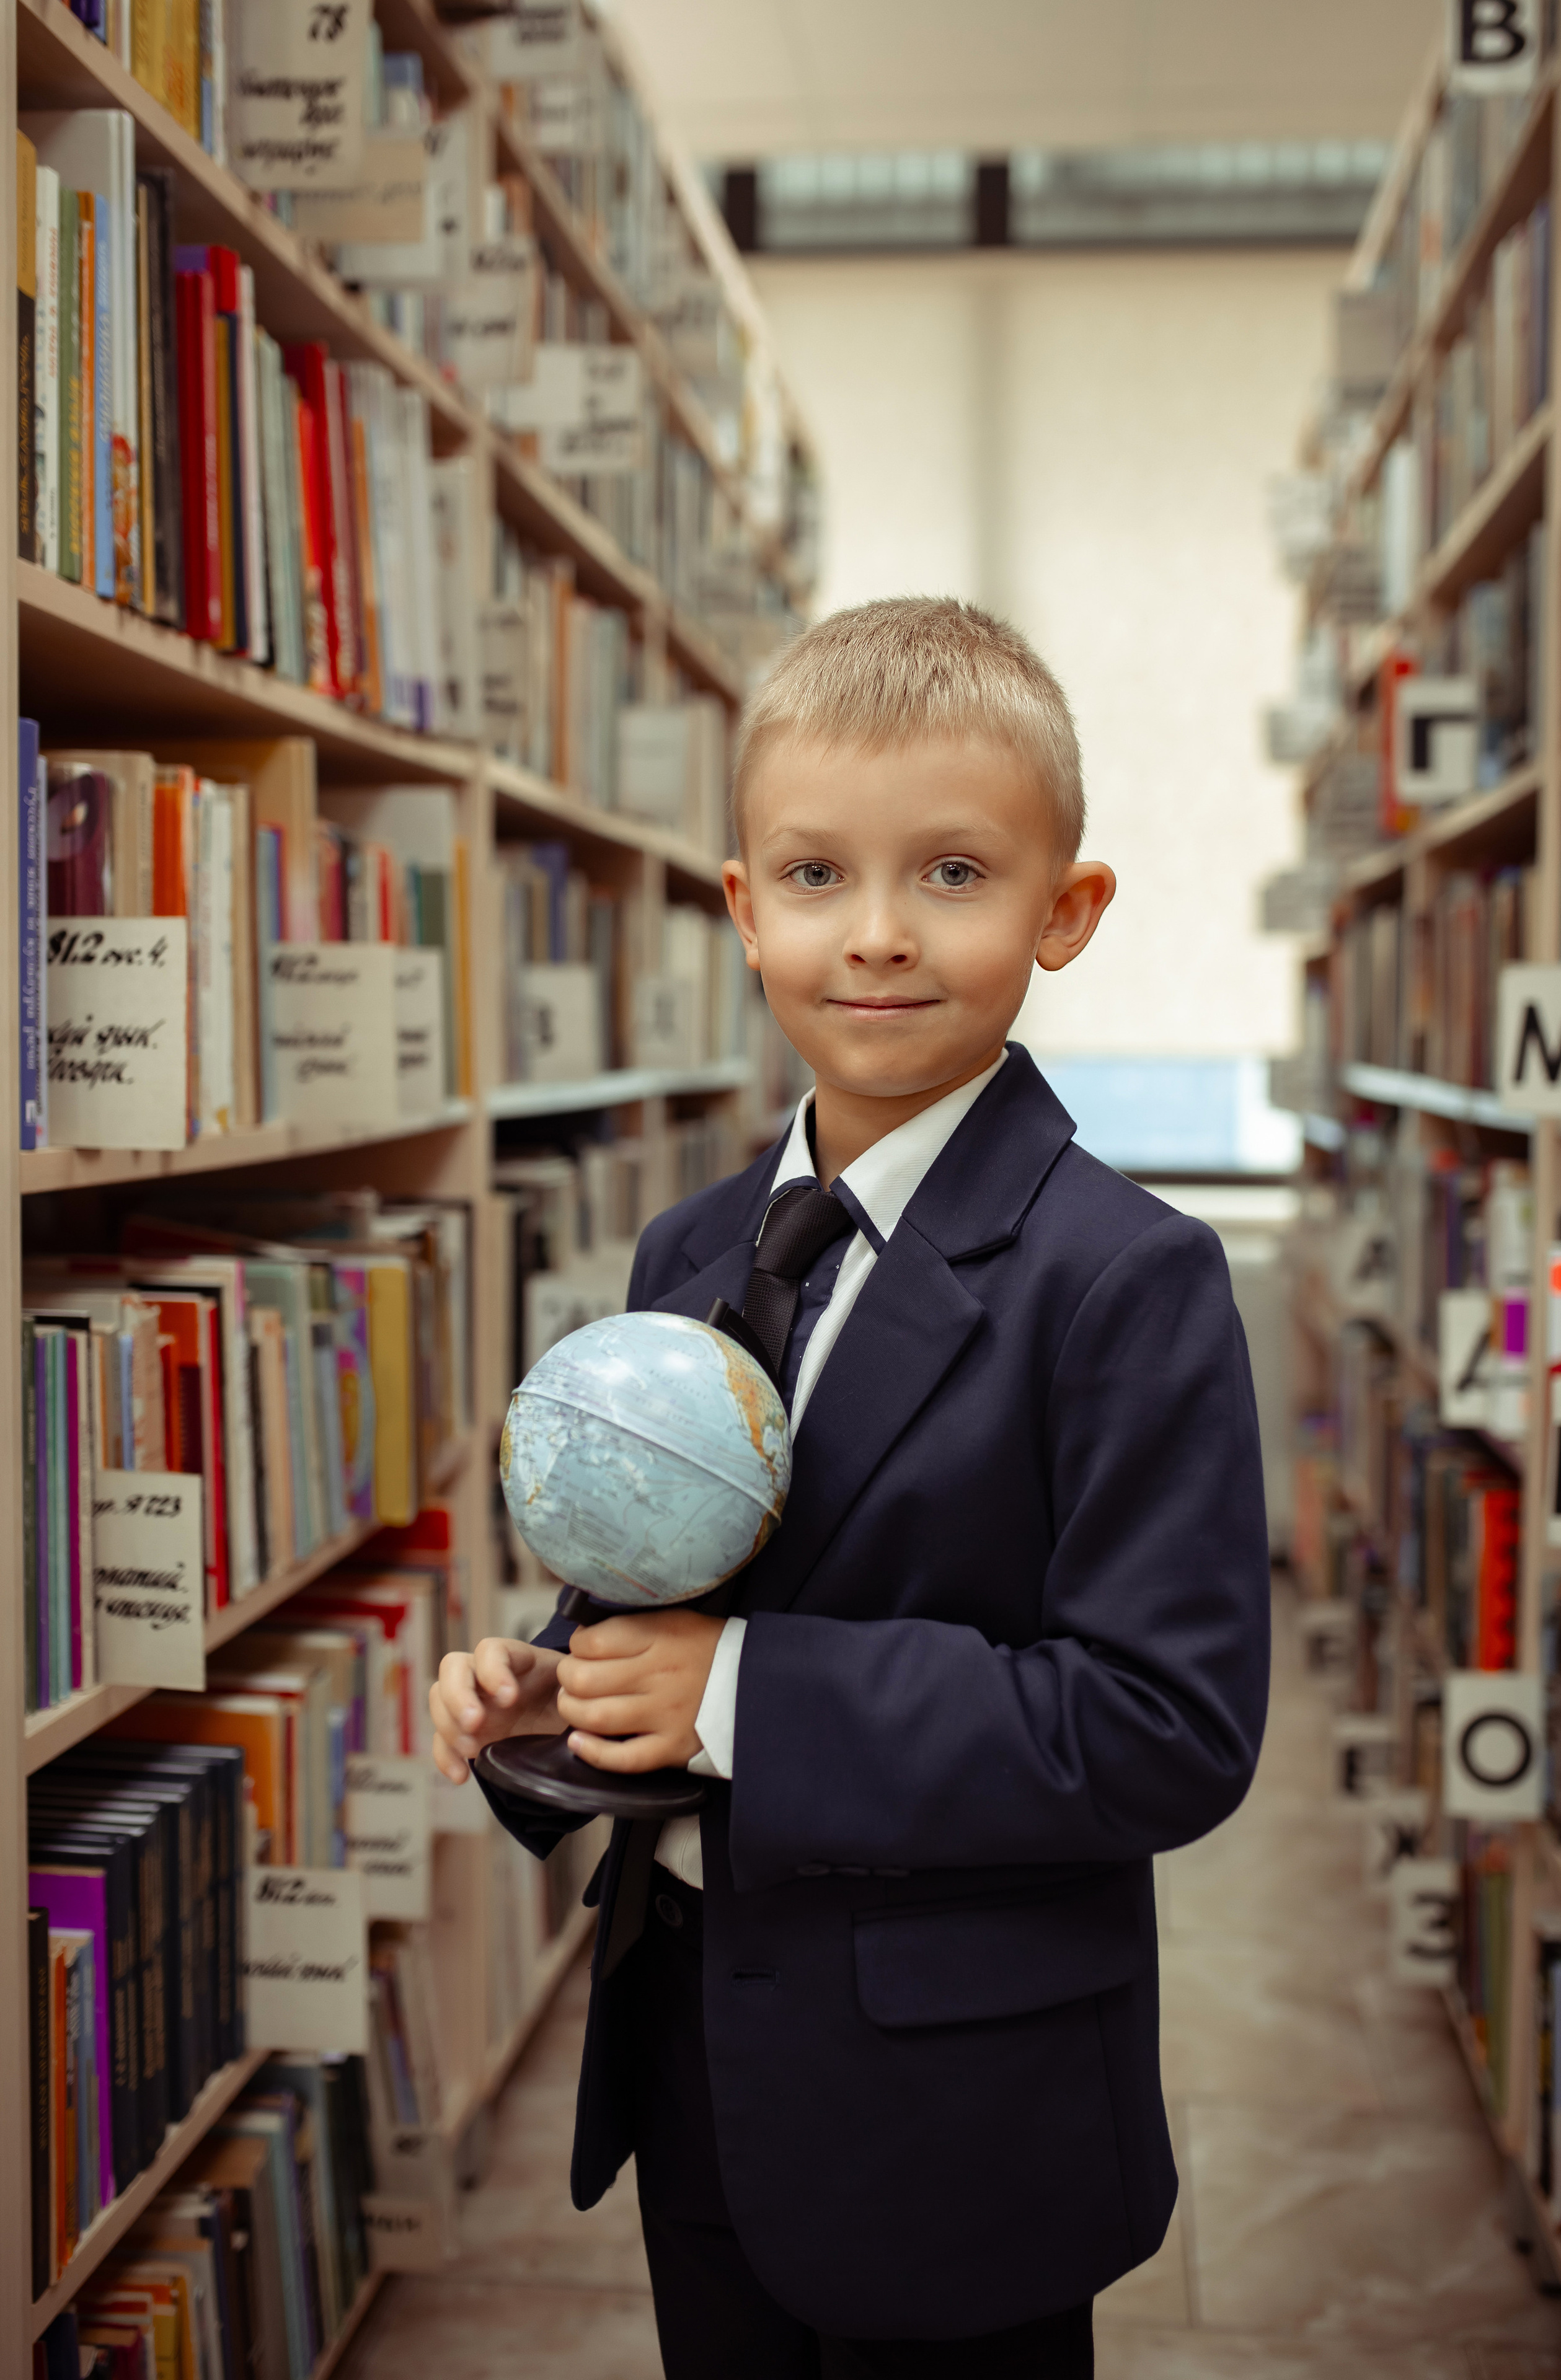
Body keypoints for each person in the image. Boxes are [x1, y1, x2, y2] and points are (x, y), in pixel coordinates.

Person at [431, 596, 1270, 2378]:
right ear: (742, 907)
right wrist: (553, 1684)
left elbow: (1167, 1725)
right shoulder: (691, 1241)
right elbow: (674, 1563)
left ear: (1068, 911)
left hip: (959, 2105)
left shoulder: (1126, 1278)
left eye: (954, 875)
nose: (876, 935)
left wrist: (734, 1696)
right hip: (697, 2062)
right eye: (815, 876)